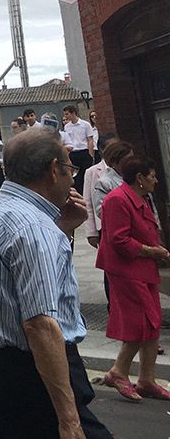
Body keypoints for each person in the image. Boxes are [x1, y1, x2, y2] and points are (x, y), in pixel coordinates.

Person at [0, 127, 110, 438]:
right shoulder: (33, 227)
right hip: (31, 373)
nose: (72, 178)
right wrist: (68, 419)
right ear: (54, 170)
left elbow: (8, 282)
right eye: (69, 169)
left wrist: (62, 226)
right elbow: (39, 324)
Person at [96, 155, 170, 402]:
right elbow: (118, 239)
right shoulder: (117, 200)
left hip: (143, 268)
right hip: (127, 270)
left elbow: (147, 230)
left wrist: (157, 252)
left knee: (152, 322)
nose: (156, 181)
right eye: (152, 176)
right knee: (140, 323)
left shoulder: (140, 197)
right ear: (139, 178)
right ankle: (118, 372)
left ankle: (146, 379)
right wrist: (152, 252)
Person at [83, 138, 130, 250]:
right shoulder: (93, 172)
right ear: (102, 150)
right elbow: (88, 203)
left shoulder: (132, 174)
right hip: (106, 226)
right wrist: (91, 232)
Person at [62, 105, 94, 194]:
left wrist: (90, 154)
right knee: (75, 177)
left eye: (67, 114)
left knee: (86, 175)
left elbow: (90, 139)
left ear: (73, 113)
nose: (65, 117)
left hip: (84, 152)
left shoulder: (85, 124)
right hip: (73, 153)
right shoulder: (67, 127)